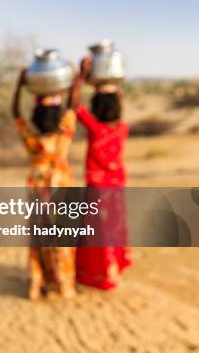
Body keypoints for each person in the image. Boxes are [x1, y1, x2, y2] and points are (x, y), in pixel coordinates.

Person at [11, 68, 81, 300]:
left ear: (36, 115)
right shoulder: (63, 136)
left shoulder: (31, 139)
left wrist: (20, 85)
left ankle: (37, 282)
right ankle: (63, 283)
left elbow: (15, 113)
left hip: (38, 188)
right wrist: (76, 81)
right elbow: (73, 107)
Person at [73, 57, 132, 290]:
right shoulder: (123, 129)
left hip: (97, 189)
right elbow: (120, 99)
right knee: (114, 229)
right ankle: (112, 272)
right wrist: (109, 82)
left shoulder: (95, 128)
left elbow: (75, 105)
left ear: (96, 108)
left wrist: (82, 76)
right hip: (116, 187)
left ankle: (95, 275)